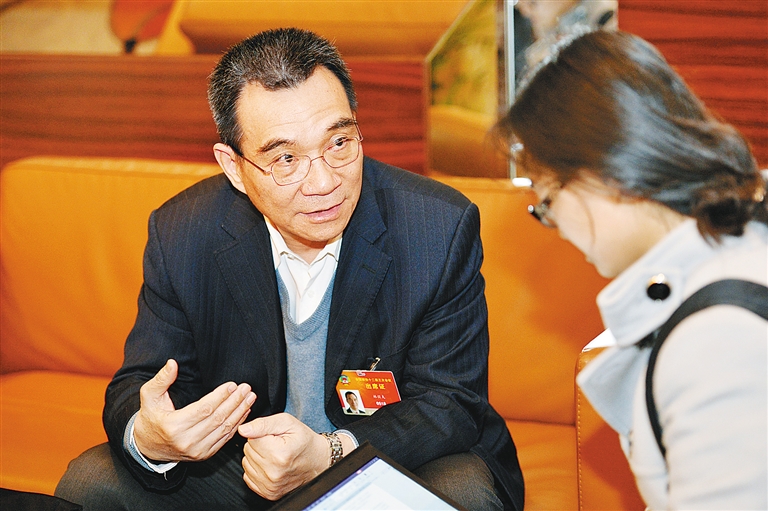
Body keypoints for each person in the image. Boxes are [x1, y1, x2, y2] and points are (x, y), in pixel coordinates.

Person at [55, 27, 524, 511]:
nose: (323, 182)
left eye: (339, 142)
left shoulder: (436, 226)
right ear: (234, 167)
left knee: (461, 495)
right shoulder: (184, 230)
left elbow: (450, 402)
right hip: (245, 467)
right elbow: (144, 380)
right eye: (285, 158)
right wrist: (151, 436)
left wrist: (330, 453)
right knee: (94, 481)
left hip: (378, 458)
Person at [495, 29, 767, 510]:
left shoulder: (714, 338)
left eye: (547, 200)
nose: (556, 229)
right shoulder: (744, 234)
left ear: (605, 173)